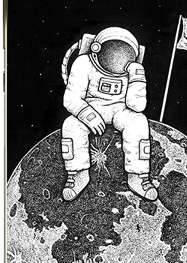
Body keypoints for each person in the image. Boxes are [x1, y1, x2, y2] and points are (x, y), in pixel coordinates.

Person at [61, 27, 157, 202]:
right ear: (96, 48)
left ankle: (138, 175)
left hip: (120, 109)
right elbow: (71, 98)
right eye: (114, 50)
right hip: (91, 106)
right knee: (71, 125)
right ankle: (78, 173)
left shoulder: (133, 70)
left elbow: (137, 106)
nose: (118, 58)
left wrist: (137, 77)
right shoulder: (84, 63)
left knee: (139, 122)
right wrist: (89, 116)